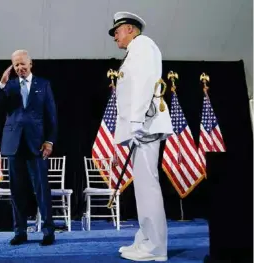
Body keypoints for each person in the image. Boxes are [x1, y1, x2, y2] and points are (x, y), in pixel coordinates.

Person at [109, 12, 173, 261]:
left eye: (117, 31)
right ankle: (146, 239)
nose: (115, 36)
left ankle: (156, 247)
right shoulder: (135, 49)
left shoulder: (143, 45)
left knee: (148, 188)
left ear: (130, 29)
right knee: (143, 188)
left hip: (144, 125)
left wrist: (135, 121)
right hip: (141, 126)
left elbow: (144, 82)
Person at [0, 49, 57, 246]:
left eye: (22, 64)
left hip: (37, 144)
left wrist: (50, 141)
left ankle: (48, 231)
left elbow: (51, 116)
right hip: (14, 144)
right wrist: (1, 84)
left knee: (41, 189)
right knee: (17, 190)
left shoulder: (44, 84)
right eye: (16, 65)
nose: (20, 68)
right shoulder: (8, 86)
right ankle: (19, 231)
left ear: (30, 63)